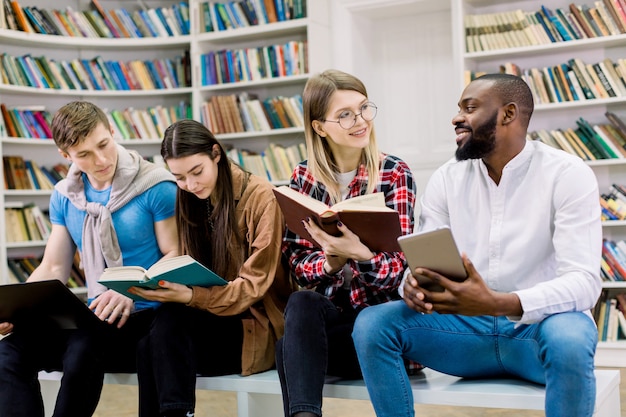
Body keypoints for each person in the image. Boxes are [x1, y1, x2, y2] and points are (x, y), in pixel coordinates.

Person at [352, 73, 603, 417]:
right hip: (465, 332)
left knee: (571, 338)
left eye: (470, 108)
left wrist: (500, 302)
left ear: (508, 114)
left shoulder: (567, 173)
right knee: (372, 324)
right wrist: (410, 284)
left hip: (538, 329)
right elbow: (424, 261)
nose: (457, 118)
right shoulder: (446, 179)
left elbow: (585, 283)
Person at [0, 101, 179, 417]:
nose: (101, 160)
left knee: (83, 344)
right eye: (84, 154)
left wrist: (130, 289)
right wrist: (15, 311)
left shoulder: (156, 185)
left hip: (144, 315)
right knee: (8, 351)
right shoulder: (64, 196)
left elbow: (175, 254)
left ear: (112, 130)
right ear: (65, 155)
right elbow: (55, 267)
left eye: (104, 145)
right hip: (96, 316)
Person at [129, 118, 296, 417]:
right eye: (179, 177)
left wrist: (191, 297)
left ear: (216, 155)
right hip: (211, 321)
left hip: (252, 327)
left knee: (160, 336)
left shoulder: (261, 197)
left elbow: (253, 289)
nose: (190, 185)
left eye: (197, 172)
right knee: (150, 341)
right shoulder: (190, 198)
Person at [275, 69, 417, 417]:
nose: (361, 121)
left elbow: (399, 270)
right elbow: (298, 265)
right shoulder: (303, 177)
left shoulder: (394, 173)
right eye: (345, 115)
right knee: (302, 302)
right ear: (319, 127)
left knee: (285, 351)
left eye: (364, 108)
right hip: (332, 324)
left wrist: (360, 255)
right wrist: (331, 262)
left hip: (380, 328)